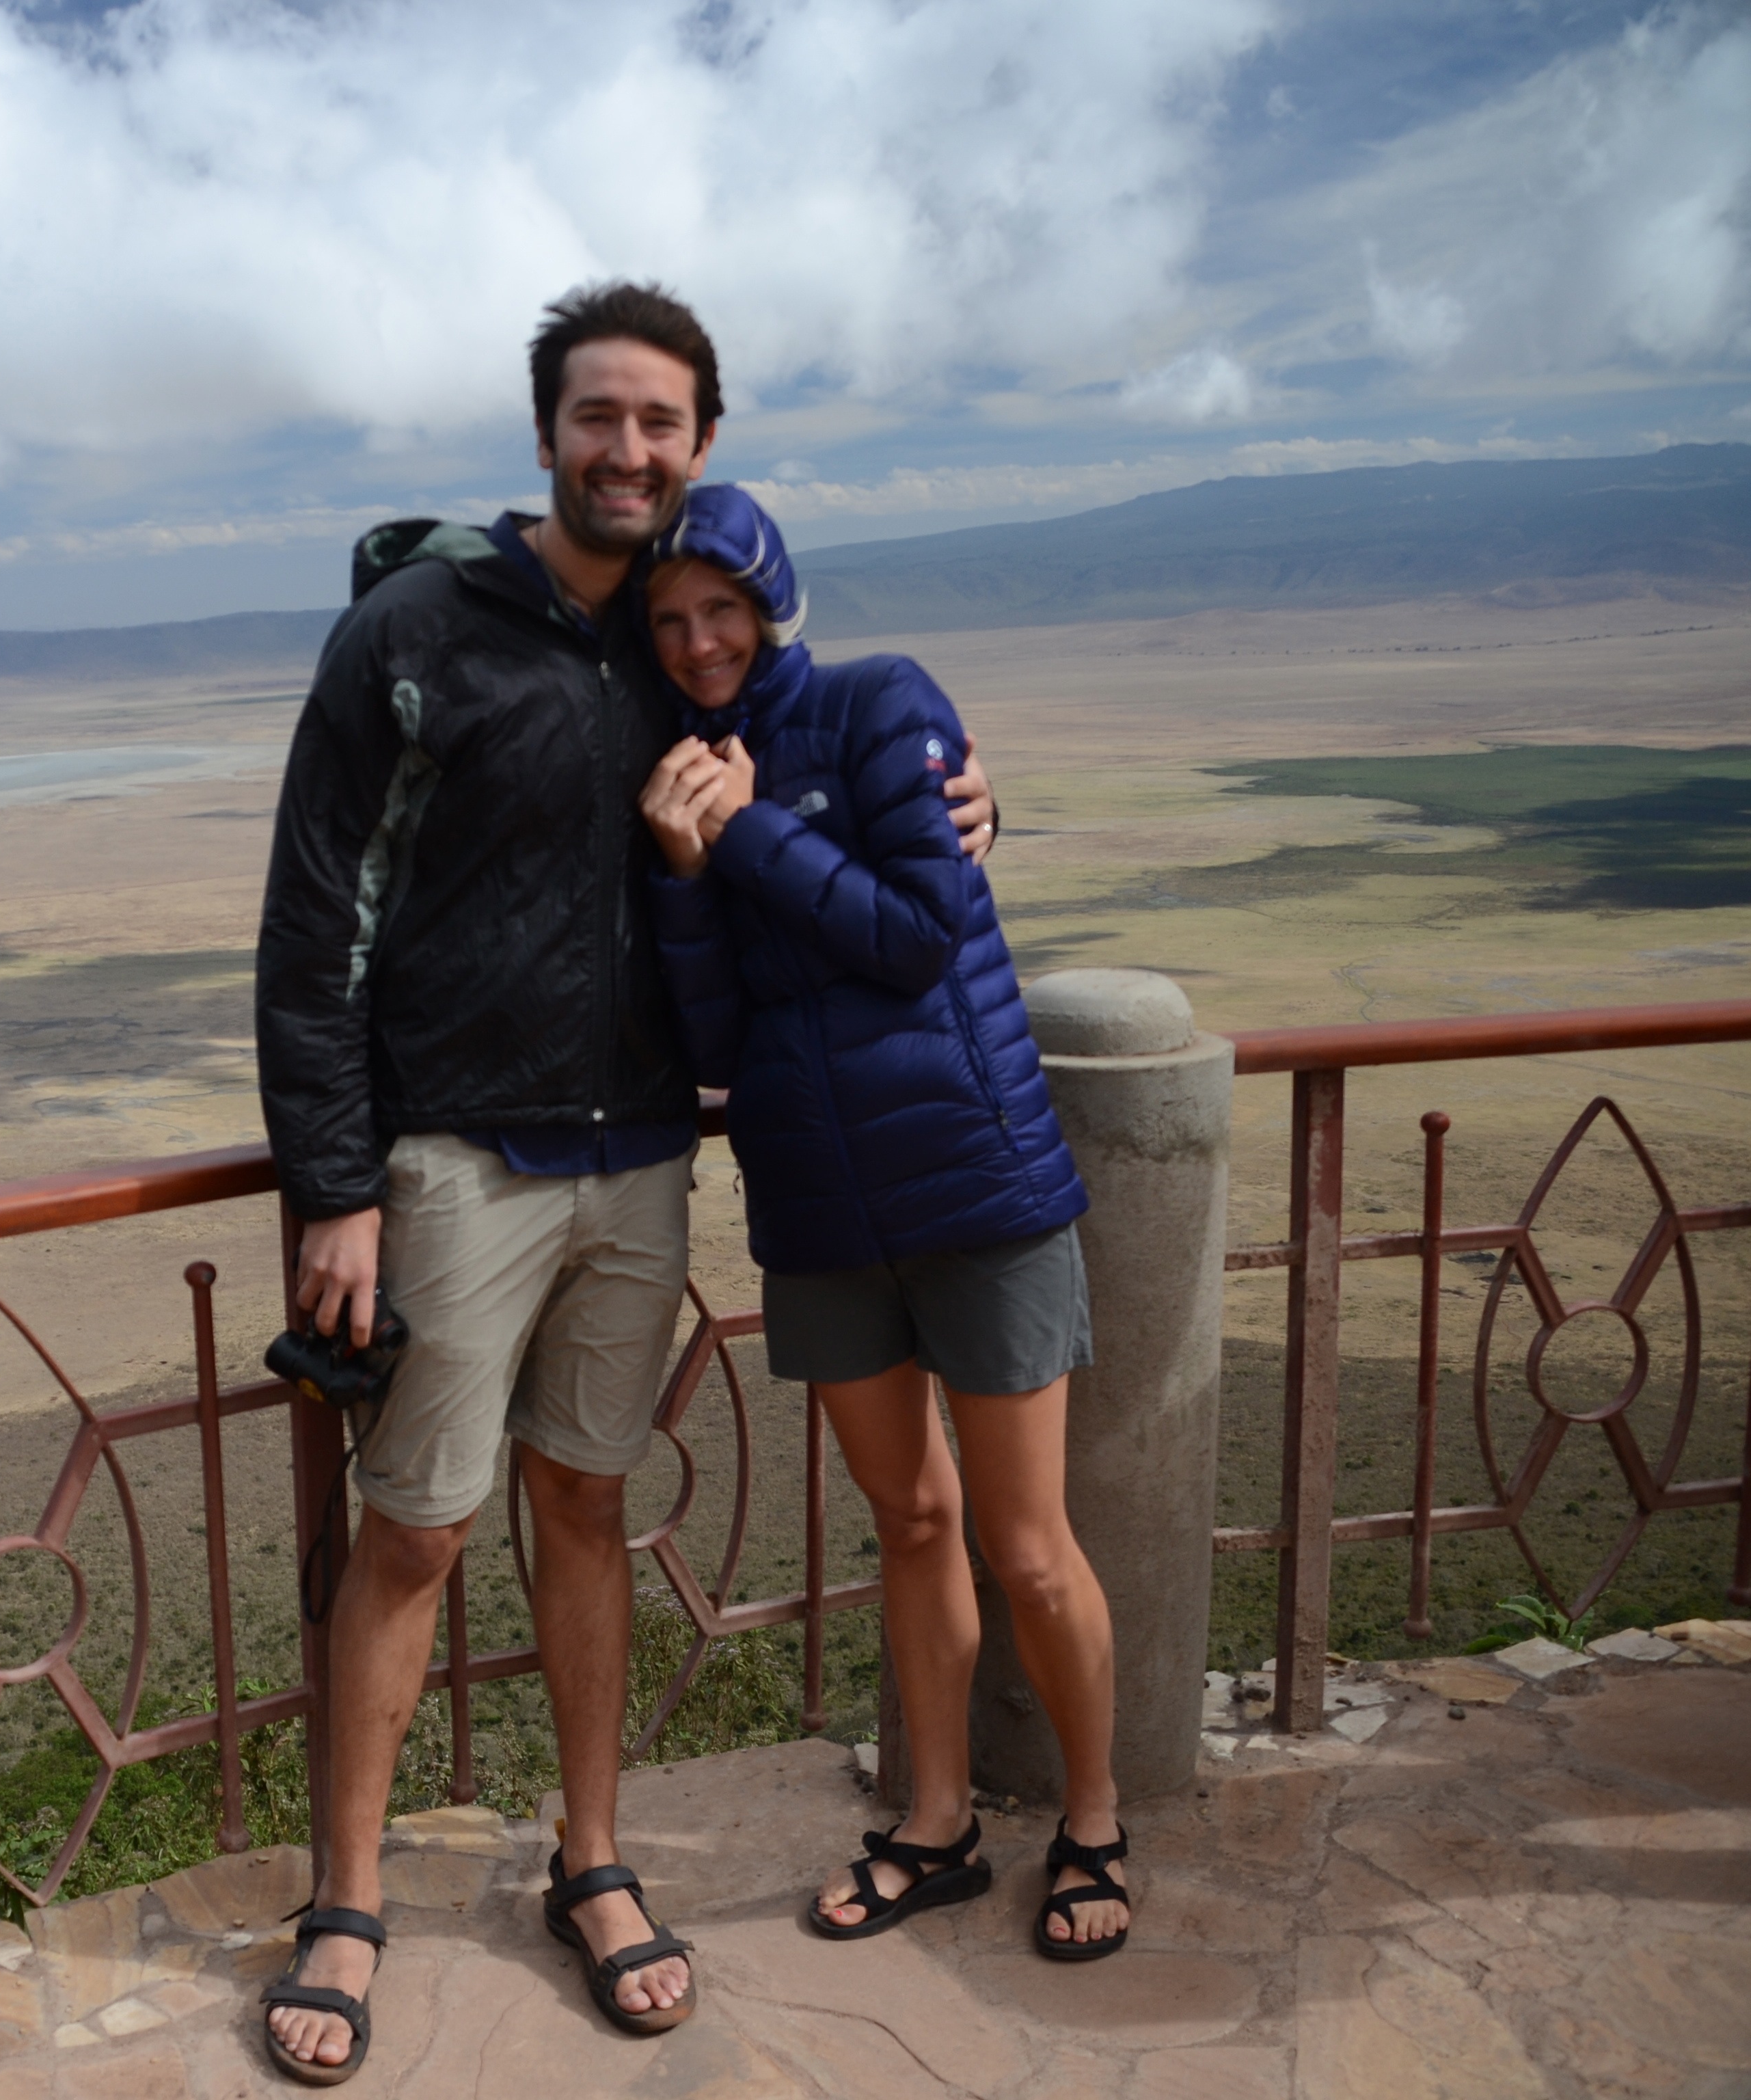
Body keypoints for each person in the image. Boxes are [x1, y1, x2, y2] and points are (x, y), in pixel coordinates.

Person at [249, 284, 1000, 2084]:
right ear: (546, 434)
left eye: (661, 422)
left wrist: (980, 803)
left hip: (644, 1154)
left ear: (702, 443)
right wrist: (336, 1185)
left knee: (586, 1508)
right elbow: (312, 916)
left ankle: (591, 1863)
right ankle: (346, 1903)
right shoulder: (416, 632)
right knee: (417, 1531)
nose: (628, 448)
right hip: (457, 1160)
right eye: (598, 416)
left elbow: (848, 770)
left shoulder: (685, 635)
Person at [632, 484, 1133, 1964]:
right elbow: (716, 1041)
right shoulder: (678, 779)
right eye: (669, 620)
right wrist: (685, 874)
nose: (699, 641)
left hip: (975, 1179)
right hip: (818, 1204)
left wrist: (745, 834)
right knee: (910, 1523)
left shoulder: (878, 705)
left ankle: (1095, 1820)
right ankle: (938, 1825)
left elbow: (920, 937)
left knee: (1025, 1543)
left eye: (722, 608)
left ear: (770, 601)